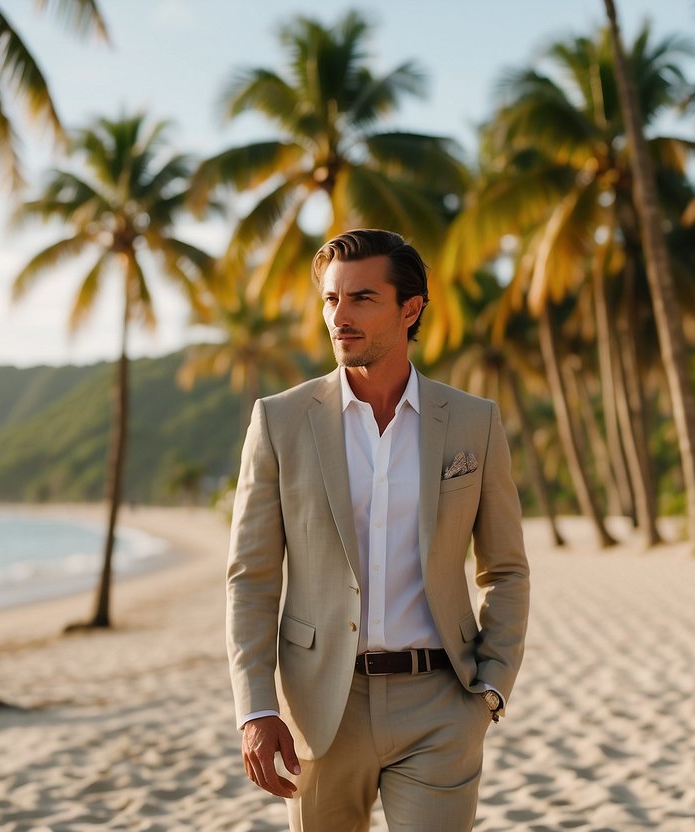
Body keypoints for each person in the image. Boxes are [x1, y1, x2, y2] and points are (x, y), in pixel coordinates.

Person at [225, 228, 530, 831]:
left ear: (409, 309)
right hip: (321, 707)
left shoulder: (473, 422)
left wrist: (491, 687)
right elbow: (251, 578)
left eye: (361, 299)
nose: (340, 316)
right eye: (331, 300)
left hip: (441, 703)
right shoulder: (280, 421)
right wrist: (256, 708)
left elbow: (506, 567)